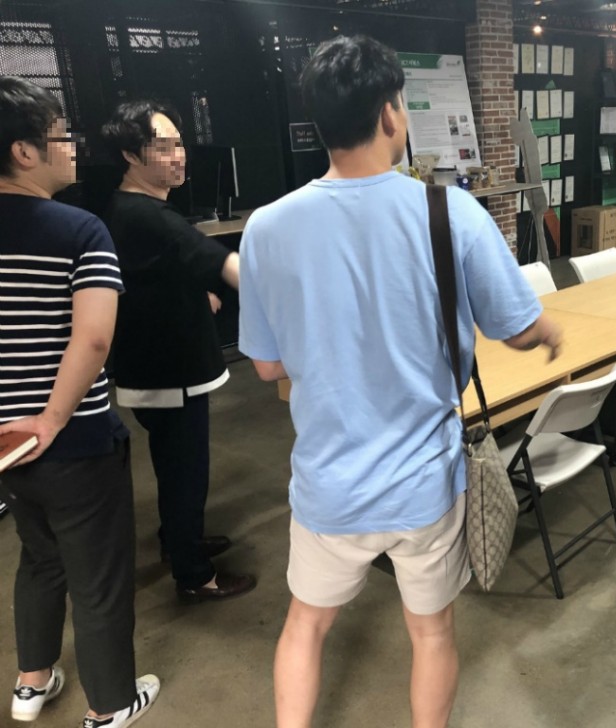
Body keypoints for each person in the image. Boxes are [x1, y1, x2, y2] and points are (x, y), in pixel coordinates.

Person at [238, 35, 562, 728]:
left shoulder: (266, 227)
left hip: (328, 484)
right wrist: (548, 333)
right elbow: (515, 327)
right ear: (391, 114)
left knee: (305, 625)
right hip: (424, 485)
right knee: (432, 632)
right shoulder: (450, 212)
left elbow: (267, 366)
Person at [0, 76, 159, 727]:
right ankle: (110, 706)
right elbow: (93, 337)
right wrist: (52, 419)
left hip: (7, 446)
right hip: (76, 441)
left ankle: (31, 683)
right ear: (24, 152)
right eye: (60, 136)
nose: (72, 147)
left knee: (38, 558)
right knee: (98, 578)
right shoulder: (80, 229)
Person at [100, 100, 256, 602]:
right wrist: (290, 289)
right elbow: (213, 259)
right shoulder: (145, 214)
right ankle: (194, 575)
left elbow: (161, 272)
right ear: (130, 155)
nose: (178, 155)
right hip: (167, 371)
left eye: (179, 143)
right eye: (162, 147)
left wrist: (196, 290)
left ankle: (178, 539)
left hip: (158, 366)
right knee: (185, 468)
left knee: (174, 464)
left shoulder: (131, 208)